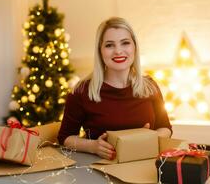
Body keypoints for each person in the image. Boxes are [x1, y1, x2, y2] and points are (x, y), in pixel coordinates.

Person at [58, 17, 172, 160]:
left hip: (146, 166)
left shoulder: (149, 86)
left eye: (125, 43)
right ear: (100, 51)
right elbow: (65, 137)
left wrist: (146, 139)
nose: (118, 51)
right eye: (109, 45)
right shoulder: (82, 91)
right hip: (101, 170)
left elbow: (166, 127)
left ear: (134, 47)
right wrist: (92, 146)